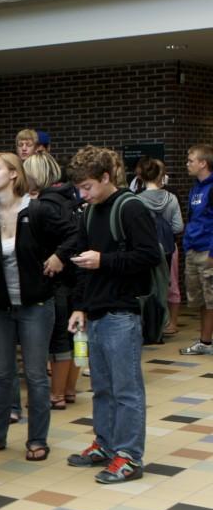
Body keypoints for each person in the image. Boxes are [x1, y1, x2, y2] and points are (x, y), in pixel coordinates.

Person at [66, 146, 162, 484]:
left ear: (107, 177)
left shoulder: (131, 208)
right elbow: (81, 264)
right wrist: (79, 306)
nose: (83, 194)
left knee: (126, 389)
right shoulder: (89, 212)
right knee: (103, 388)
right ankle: (105, 445)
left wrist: (104, 260)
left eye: (88, 186)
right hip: (97, 311)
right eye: (79, 188)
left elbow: (150, 255)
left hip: (123, 312)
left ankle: (129, 456)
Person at [0, 153, 77, 462]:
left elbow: (74, 233)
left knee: (35, 375)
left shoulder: (38, 210)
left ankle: (37, 439)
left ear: (14, 175)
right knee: (2, 374)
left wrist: (59, 256)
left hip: (36, 304)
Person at [25, 152, 82, 409]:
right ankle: (69, 390)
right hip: (77, 277)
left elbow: (71, 236)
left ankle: (56, 394)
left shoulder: (46, 205)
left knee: (59, 336)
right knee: (73, 336)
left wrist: (58, 255)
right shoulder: (69, 199)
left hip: (58, 279)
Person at [137, 157, 185, 336]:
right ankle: (169, 324)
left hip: (144, 250)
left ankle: (146, 325)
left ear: (141, 176)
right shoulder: (171, 198)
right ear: (161, 175)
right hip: (168, 248)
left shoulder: (136, 200)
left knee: (147, 286)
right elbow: (178, 227)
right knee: (170, 285)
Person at [179, 144, 213, 355]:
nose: (187, 164)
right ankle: (205, 340)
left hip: (207, 251)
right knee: (201, 299)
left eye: (191, 160)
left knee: (211, 298)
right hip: (193, 249)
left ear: (203, 163)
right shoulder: (195, 188)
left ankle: (206, 340)